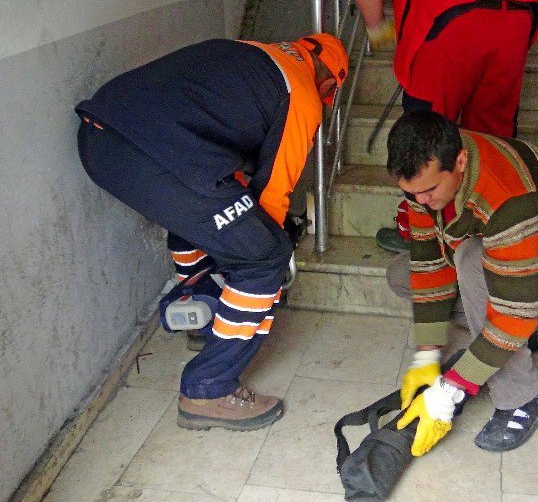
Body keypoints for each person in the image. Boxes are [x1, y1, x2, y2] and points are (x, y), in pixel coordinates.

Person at [76, 34, 348, 431]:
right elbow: (274, 194)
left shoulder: (250, 52)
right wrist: (264, 252)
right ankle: (209, 388)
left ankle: (203, 311)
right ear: (328, 84)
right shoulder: (301, 92)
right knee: (263, 254)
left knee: (204, 209)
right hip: (156, 155)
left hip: (99, 139)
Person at [385, 111, 538, 455]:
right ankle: (533, 330)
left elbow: (511, 317)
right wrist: (427, 354)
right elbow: (429, 265)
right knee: (402, 276)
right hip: (516, 266)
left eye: (429, 191)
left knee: (474, 262)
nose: (420, 201)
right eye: (410, 193)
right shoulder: (430, 170)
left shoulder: (510, 195)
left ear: (460, 162)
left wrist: (448, 391)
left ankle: (524, 395)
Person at [352, 0, 538, 254]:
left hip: (450, 23)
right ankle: (494, 233)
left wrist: (378, 28)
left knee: (424, 138)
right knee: (492, 137)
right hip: (515, 17)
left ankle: (423, 237)